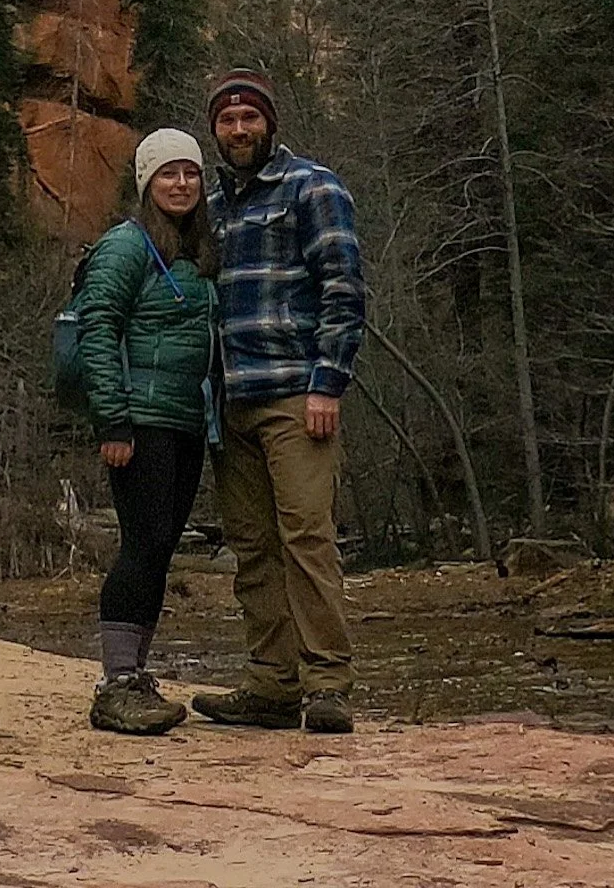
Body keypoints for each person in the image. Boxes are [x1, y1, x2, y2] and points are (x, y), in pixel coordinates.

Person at [192, 69, 366, 734]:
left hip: (296, 395)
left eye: (250, 119)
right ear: (215, 130)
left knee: (307, 538)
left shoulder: (312, 187)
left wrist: (329, 382)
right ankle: (271, 684)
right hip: (229, 402)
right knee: (253, 545)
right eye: (228, 121)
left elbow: (344, 289)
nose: (239, 130)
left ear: (271, 124)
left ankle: (328, 686)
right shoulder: (213, 205)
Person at [76, 125, 221, 735]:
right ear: (146, 183)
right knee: (142, 545)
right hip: (141, 422)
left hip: (184, 421)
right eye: (167, 173)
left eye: (189, 173)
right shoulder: (127, 245)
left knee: (158, 547)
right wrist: (113, 420)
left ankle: (134, 674)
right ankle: (116, 684)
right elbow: (97, 330)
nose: (181, 183)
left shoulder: (196, 248)